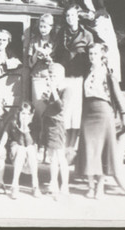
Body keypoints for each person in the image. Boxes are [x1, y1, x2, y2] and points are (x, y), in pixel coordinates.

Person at [76, 43, 125, 199]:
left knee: (102, 151)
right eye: (90, 54)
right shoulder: (87, 73)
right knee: (88, 149)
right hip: (88, 113)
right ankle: (90, 186)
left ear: (101, 55)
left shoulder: (108, 74)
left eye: (95, 53)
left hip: (103, 113)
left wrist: (124, 115)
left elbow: (117, 94)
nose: (92, 56)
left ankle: (100, 187)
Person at [54, 5, 94, 156]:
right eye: (67, 16)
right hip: (64, 78)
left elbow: (91, 57)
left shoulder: (87, 35)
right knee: (64, 113)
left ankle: (72, 147)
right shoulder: (61, 33)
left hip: (78, 79)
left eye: (72, 15)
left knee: (76, 115)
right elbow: (56, 54)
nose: (70, 18)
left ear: (78, 17)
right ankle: (62, 146)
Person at [69, 0, 121, 80]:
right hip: (84, 19)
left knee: (106, 45)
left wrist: (94, 15)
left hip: (99, 19)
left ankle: (111, 74)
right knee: (89, 44)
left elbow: (102, 8)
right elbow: (72, 4)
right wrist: (80, 13)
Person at [42, 63, 72, 198]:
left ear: (61, 76)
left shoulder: (65, 90)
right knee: (52, 157)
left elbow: (60, 107)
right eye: (50, 75)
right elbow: (52, 106)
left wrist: (53, 91)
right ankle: (53, 183)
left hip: (57, 124)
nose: (52, 78)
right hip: (49, 123)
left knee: (60, 157)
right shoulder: (55, 90)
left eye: (54, 76)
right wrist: (46, 100)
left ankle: (65, 185)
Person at [0, 102, 41, 199]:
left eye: (28, 114)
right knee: (22, 150)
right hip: (16, 146)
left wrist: (25, 128)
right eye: (23, 113)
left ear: (31, 115)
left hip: (29, 146)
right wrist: (1, 146)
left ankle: (35, 185)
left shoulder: (34, 124)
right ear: (19, 113)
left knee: (30, 149)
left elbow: (29, 142)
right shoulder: (13, 121)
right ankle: (15, 185)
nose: (25, 116)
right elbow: (7, 134)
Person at [28, 14, 56, 156]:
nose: (43, 29)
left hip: (51, 79)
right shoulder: (33, 41)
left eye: (45, 26)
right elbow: (30, 64)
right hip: (38, 78)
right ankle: (40, 145)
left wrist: (49, 58)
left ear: (51, 27)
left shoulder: (55, 41)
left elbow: (57, 63)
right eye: (41, 26)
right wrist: (36, 55)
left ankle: (48, 146)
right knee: (39, 114)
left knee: (51, 114)